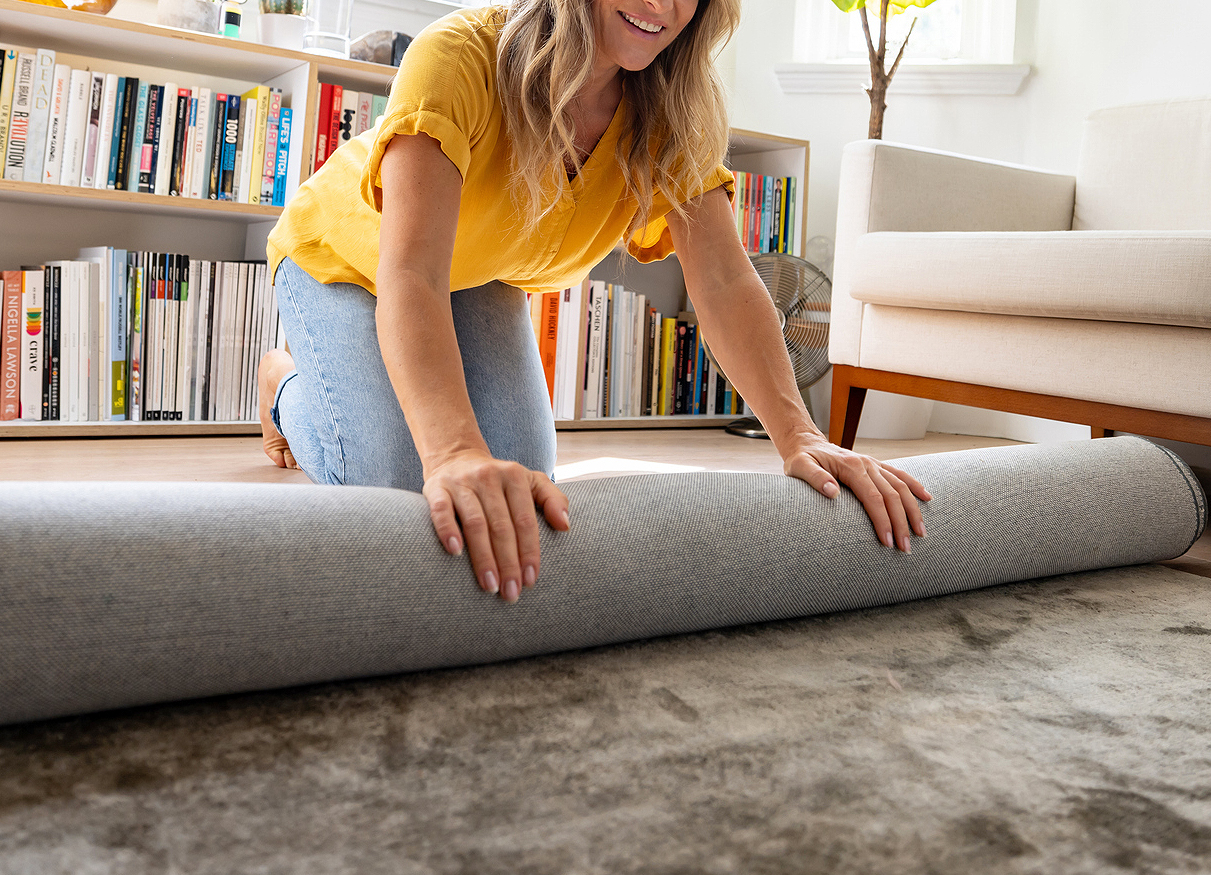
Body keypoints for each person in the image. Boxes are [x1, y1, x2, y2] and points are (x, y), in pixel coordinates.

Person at [260, 0, 932, 605]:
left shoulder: (676, 109)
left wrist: (801, 435)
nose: (659, 5)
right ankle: (285, 387)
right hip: (348, 260)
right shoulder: (457, 57)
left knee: (523, 483)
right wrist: (454, 450)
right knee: (401, 481)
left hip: (481, 275)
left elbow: (725, 281)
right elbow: (410, 276)